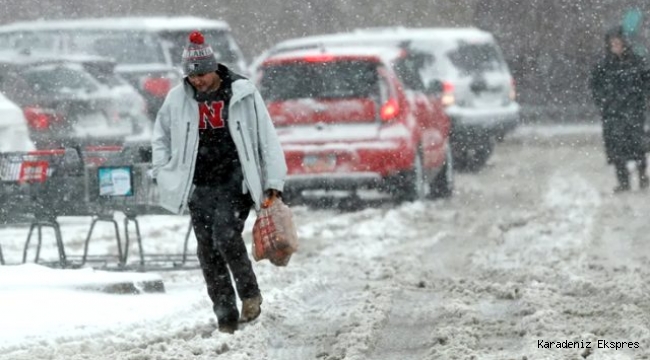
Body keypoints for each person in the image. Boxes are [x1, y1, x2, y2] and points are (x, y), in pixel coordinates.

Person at [151, 31, 287, 333]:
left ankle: (249, 294)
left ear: (214, 67)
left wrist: (274, 180)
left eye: (201, 74)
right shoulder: (178, 98)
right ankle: (225, 315)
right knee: (207, 250)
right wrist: (161, 168)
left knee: (225, 235)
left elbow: (267, 137)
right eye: (191, 75)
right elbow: (160, 135)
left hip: (235, 180)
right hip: (198, 184)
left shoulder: (242, 91)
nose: (197, 81)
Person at [590, 26, 650, 193]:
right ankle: (623, 182)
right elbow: (594, 86)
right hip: (612, 114)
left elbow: (647, 82)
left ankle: (643, 176)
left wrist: (642, 99)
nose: (615, 46)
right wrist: (604, 102)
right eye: (612, 43)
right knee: (616, 149)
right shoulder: (603, 66)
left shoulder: (637, 62)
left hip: (634, 111)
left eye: (618, 43)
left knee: (638, 146)